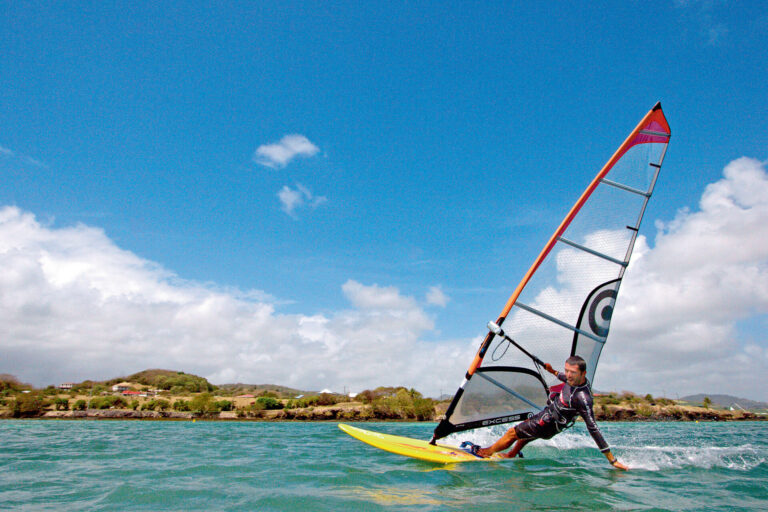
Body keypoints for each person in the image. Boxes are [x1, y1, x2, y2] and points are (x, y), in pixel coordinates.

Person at [474, 355, 629, 470]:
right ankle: (511, 454)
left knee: (512, 433)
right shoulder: (573, 379)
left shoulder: (583, 398)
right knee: (525, 434)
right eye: (567, 371)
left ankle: (487, 452)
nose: (568, 375)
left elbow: (593, 428)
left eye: (573, 372)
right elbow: (563, 377)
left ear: (583, 373)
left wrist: (612, 460)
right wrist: (552, 371)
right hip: (549, 420)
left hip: (548, 423)